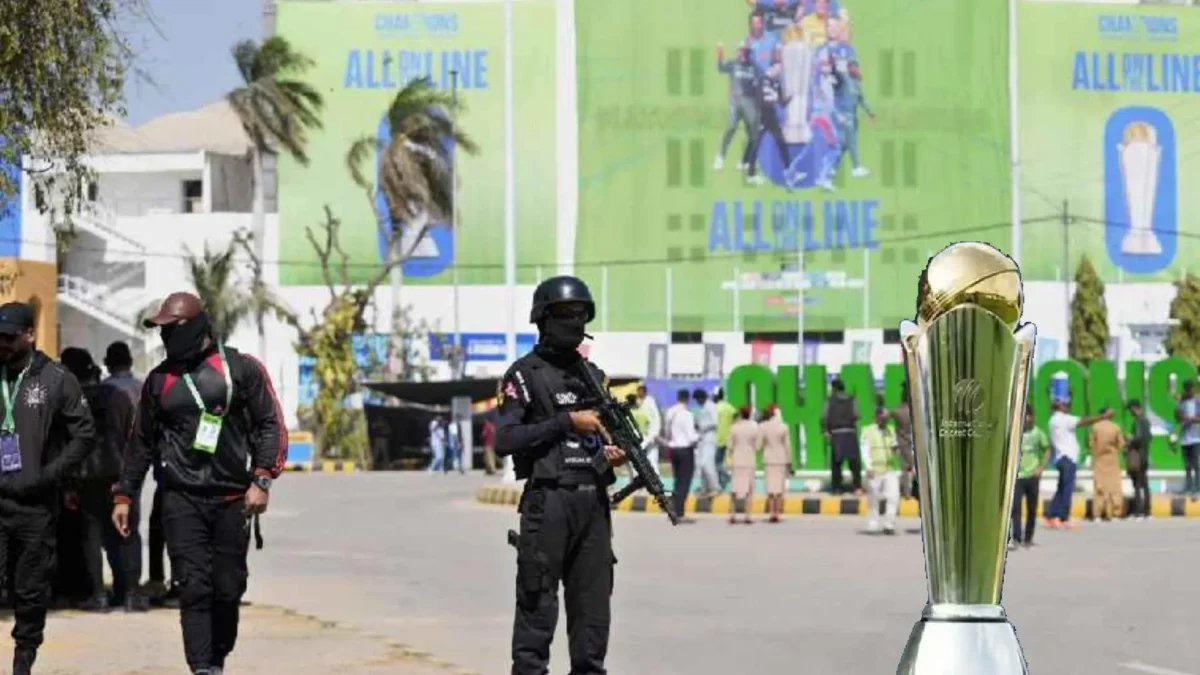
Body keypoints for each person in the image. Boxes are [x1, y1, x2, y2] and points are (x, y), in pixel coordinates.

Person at [111, 292, 288, 675]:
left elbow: (270, 424)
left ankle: (217, 658)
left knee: (228, 588)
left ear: (193, 327)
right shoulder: (159, 382)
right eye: (160, 331)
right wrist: (124, 493)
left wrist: (262, 478)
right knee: (192, 586)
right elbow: (139, 442)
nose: (164, 338)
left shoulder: (241, 369)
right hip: (181, 498)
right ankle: (202, 668)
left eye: (169, 329)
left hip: (231, 499)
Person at [493, 275, 628, 675]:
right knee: (537, 614)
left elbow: (606, 438)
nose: (574, 321)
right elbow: (505, 439)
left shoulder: (594, 377)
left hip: (593, 505)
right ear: (544, 319)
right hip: (548, 502)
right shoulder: (524, 375)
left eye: (580, 314)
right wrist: (566, 422)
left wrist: (611, 455)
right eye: (566, 314)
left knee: (592, 621)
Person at [0, 302, 96, 675]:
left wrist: (48, 474)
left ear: (28, 335)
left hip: (35, 507)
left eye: (9, 338)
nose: (2, 345)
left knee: (30, 591)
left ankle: (23, 661)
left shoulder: (55, 379)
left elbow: (84, 435)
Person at [60, 348, 148, 612]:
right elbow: (130, 434)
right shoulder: (116, 395)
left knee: (92, 535)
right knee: (127, 531)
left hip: (86, 476)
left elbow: (67, 444)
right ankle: (131, 594)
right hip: (118, 474)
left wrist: (69, 484)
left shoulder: (69, 400)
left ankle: (98, 596)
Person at [1045, 398, 1111, 530]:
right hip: (1068, 458)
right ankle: (1062, 517)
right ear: (1060, 406)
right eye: (1066, 404)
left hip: (1059, 457)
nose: (1068, 406)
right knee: (1067, 489)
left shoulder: (1052, 420)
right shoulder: (1064, 419)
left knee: (1061, 487)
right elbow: (1084, 421)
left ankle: (1051, 515)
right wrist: (1102, 417)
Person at [714, 42, 763, 173]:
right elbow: (720, 68)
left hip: (749, 104)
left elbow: (762, 79)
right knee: (731, 128)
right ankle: (720, 157)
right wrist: (719, 55)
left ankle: (745, 161)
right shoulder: (733, 64)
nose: (741, 53)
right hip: (735, 103)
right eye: (740, 51)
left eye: (744, 51)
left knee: (753, 133)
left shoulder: (753, 66)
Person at [1011, 406, 1049, 550]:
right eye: (1023, 415)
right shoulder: (1015, 433)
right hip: (1018, 476)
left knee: (1032, 509)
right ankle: (1016, 538)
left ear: (1032, 417)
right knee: (1015, 508)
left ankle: (1028, 538)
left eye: (1027, 415)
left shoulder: (1038, 433)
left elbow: (1047, 449)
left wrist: (1041, 468)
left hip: (1032, 476)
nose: (1026, 419)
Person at [860, 407, 900, 534]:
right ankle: (873, 524)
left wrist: (896, 450)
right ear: (877, 417)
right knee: (874, 498)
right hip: (874, 469)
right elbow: (865, 450)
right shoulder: (868, 431)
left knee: (893, 496)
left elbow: (895, 448)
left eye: (887, 418)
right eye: (883, 418)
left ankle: (889, 524)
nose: (885, 421)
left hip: (889, 468)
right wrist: (868, 467)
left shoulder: (891, 431)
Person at [664, 388, 699, 523]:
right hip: (685, 450)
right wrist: (699, 436)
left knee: (677, 481)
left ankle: (674, 510)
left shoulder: (670, 412)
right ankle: (679, 513)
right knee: (684, 482)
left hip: (673, 449)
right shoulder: (687, 414)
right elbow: (691, 437)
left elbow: (667, 431)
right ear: (688, 398)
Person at [822, 378, 861, 494]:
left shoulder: (829, 401)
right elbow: (856, 415)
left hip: (837, 434)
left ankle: (837, 488)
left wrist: (826, 430)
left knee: (836, 463)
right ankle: (857, 487)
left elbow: (824, 417)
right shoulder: (852, 399)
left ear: (834, 388)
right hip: (850, 432)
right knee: (854, 462)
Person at [1089, 408, 1126, 522]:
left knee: (1099, 486)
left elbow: (1091, 443)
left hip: (1099, 460)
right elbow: (1121, 444)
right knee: (1114, 487)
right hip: (1112, 460)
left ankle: (1098, 513)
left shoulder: (1095, 427)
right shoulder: (1116, 427)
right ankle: (1115, 513)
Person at [728, 406, 760, 525]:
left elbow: (730, 446)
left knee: (735, 488)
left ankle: (732, 514)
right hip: (749, 460)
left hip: (737, 460)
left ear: (740, 415)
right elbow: (757, 446)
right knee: (749, 489)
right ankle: (747, 516)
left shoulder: (734, 428)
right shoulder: (754, 428)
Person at [760, 403, 791, 524]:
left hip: (768, 459)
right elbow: (787, 446)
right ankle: (777, 513)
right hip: (781, 459)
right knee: (779, 488)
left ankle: (771, 513)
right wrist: (789, 461)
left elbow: (759, 444)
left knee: (771, 487)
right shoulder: (784, 427)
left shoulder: (763, 426)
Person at [1126, 400, 1152, 520]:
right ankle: (1147, 511)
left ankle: (1138, 512)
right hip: (1145, 455)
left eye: (1131, 409)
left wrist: (1129, 439)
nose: (1130, 412)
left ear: (1135, 408)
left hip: (1138, 456)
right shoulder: (1146, 421)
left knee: (1137, 485)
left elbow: (1138, 438)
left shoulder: (1139, 421)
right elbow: (1148, 437)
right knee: (1145, 484)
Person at [693, 389, 721, 498]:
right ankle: (705, 488)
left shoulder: (711, 406)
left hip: (710, 438)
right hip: (702, 439)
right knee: (700, 465)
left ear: (702, 397)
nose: (697, 402)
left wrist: (703, 427)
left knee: (707, 464)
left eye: (698, 399)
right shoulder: (701, 408)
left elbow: (715, 423)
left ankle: (715, 487)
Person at [1175, 380, 1200, 499]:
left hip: (1196, 437)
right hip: (1185, 437)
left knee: (1196, 464)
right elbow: (1177, 416)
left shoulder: (1198, 400)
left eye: (1192, 389)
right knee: (1187, 465)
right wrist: (1181, 416)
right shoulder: (1181, 401)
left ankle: (1197, 487)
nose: (1190, 391)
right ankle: (1188, 486)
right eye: (1188, 389)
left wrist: (1191, 419)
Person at [891, 389, 914, 500]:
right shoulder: (916, 410)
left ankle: (907, 493)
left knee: (905, 469)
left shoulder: (897, 411)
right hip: (915, 442)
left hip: (903, 443)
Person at [713, 388, 736, 490]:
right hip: (728, 439)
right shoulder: (729, 407)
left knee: (715, 463)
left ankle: (726, 477)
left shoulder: (714, 408)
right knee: (719, 462)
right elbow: (736, 419)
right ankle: (720, 483)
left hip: (716, 439)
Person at [636, 385, 662, 470]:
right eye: (638, 391)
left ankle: (656, 479)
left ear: (645, 392)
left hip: (651, 434)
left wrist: (656, 433)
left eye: (640, 391)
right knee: (638, 460)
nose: (639, 393)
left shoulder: (650, 401)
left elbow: (656, 418)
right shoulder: (636, 402)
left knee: (652, 460)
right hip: (640, 434)